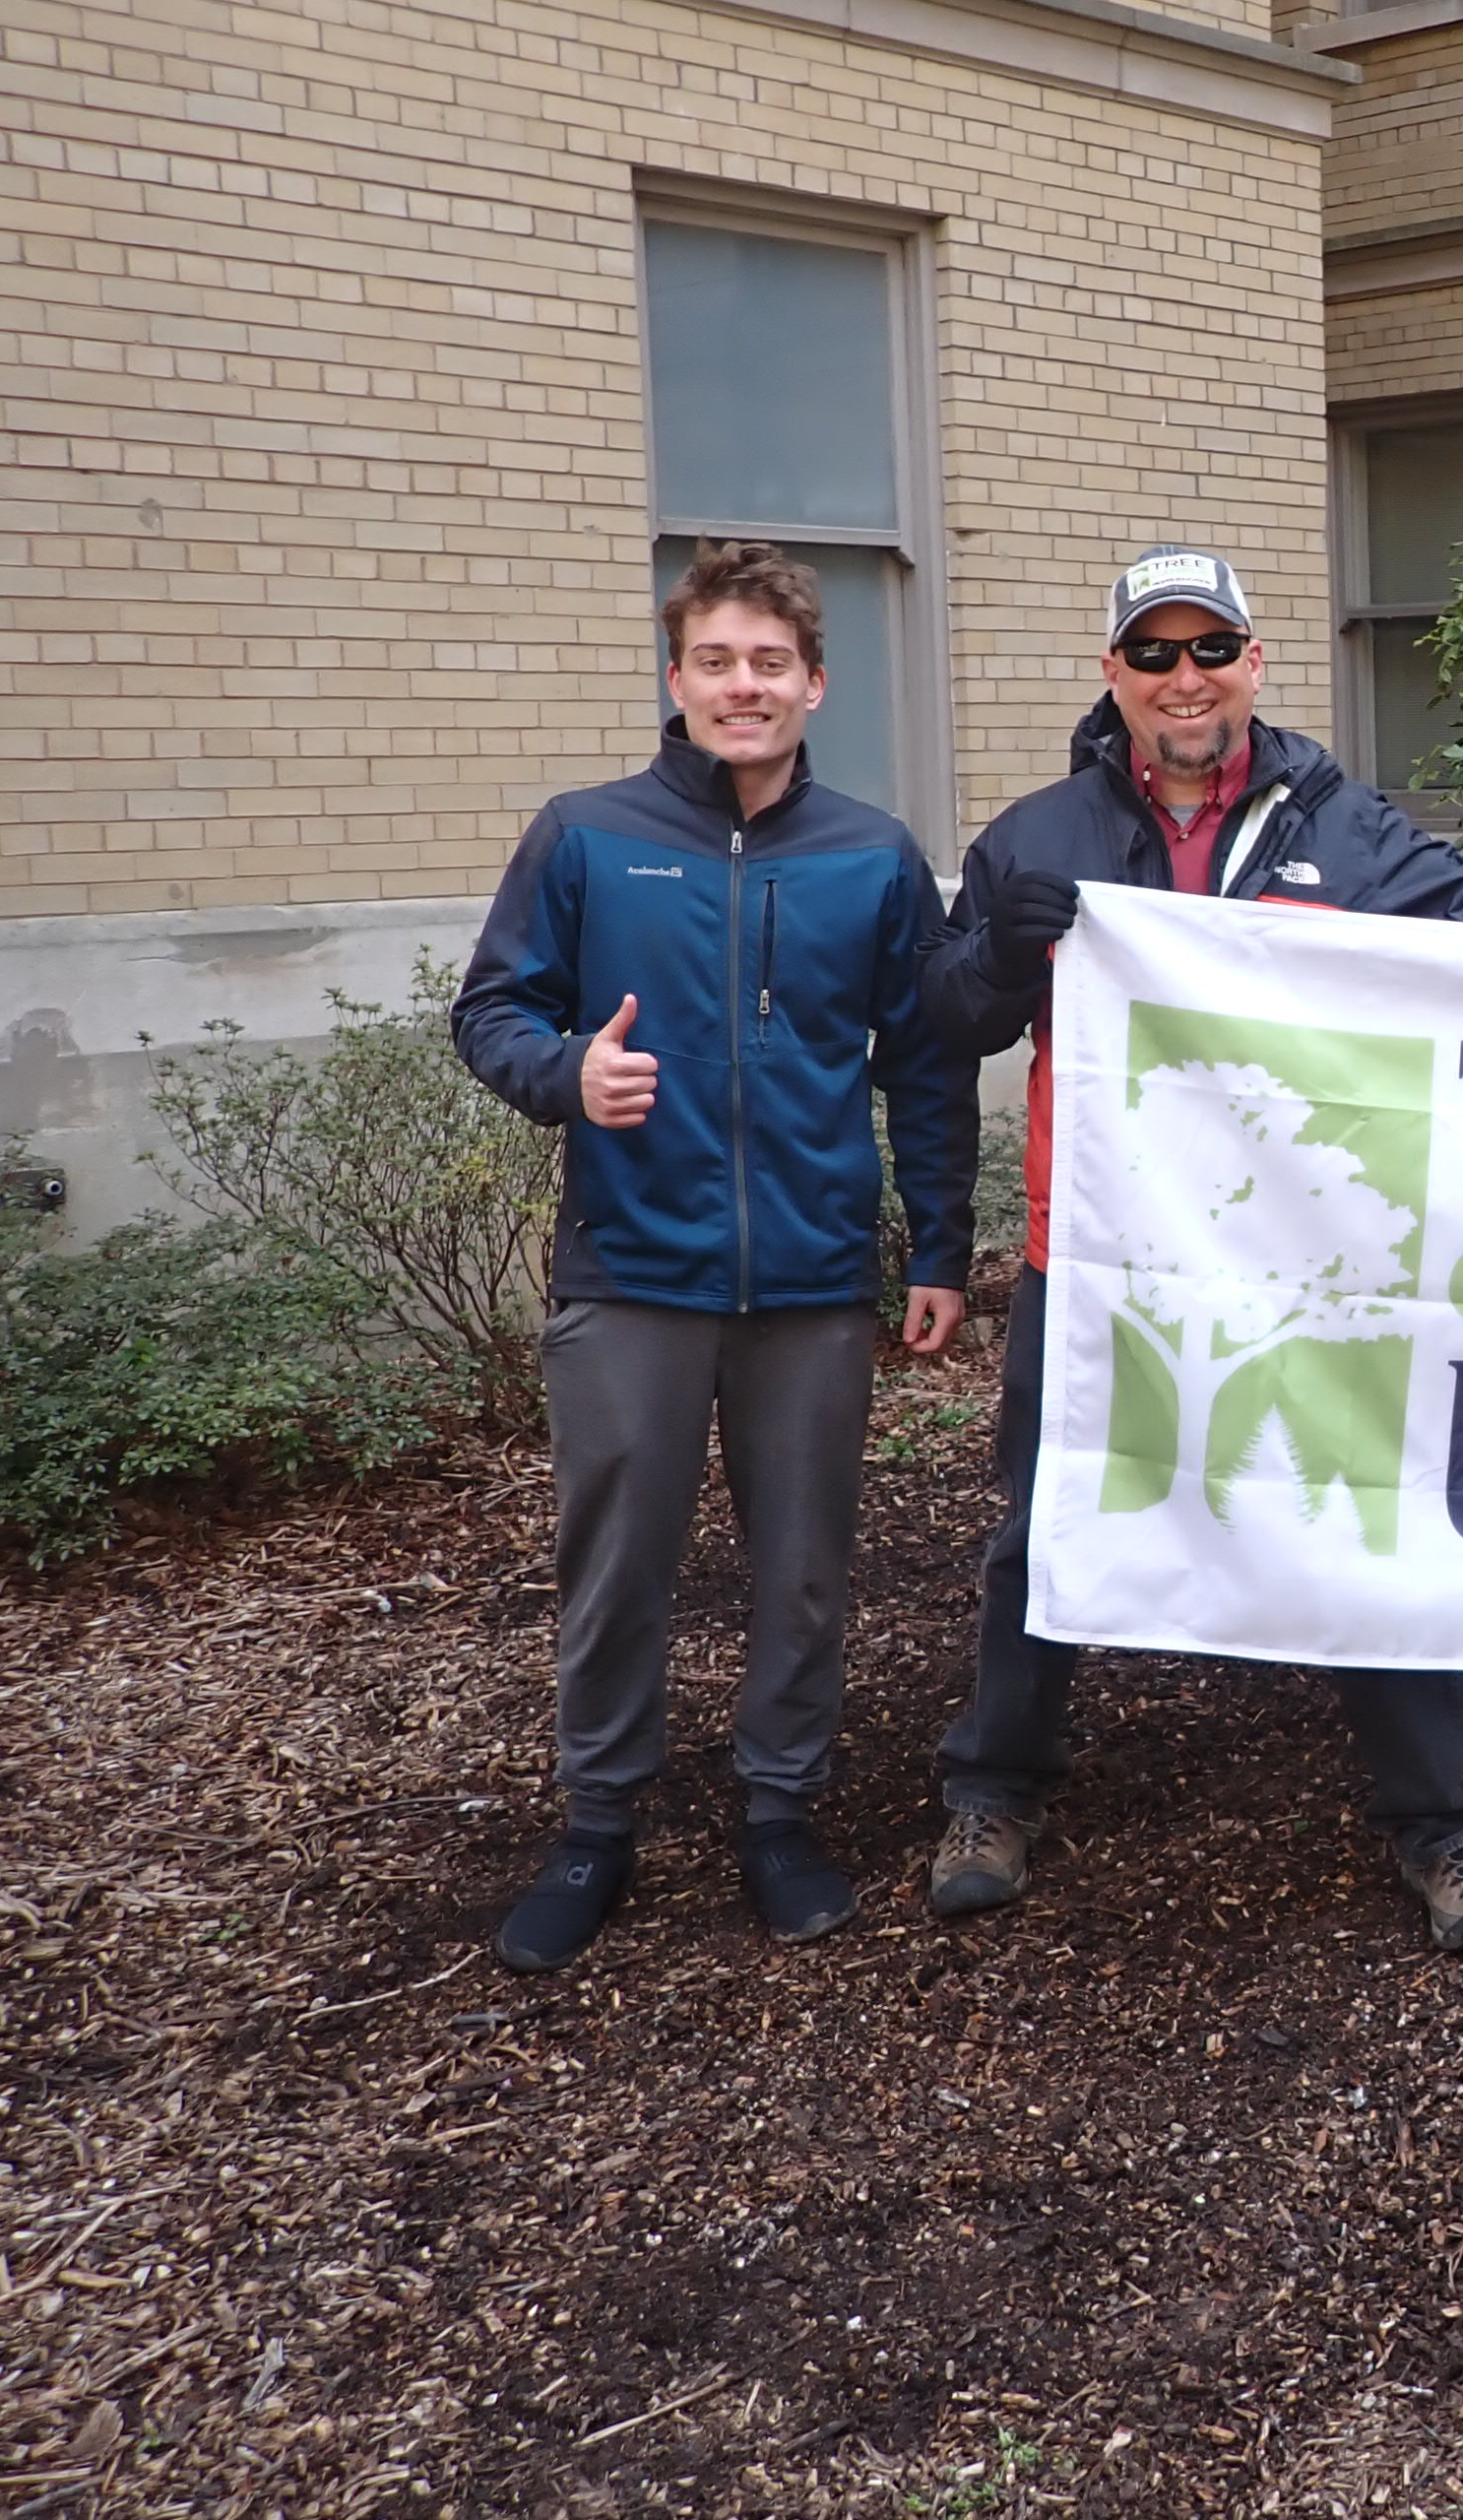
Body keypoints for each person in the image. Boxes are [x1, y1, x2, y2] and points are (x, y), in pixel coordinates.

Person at [918, 547, 1463, 1953]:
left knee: (1371, 1510)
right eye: (1154, 654)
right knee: (1051, 1525)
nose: (1185, 678)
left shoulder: (1343, 830)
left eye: (1212, 649)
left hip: (1313, 1256)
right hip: (1099, 1258)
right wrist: (996, 958)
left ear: (1256, 664)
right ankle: (994, 1790)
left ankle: (1444, 1827)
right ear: (1114, 678)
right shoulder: (1037, 839)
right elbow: (940, 1020)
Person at [452, 541, 977, 1973]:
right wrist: (569, 1074)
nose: (743, 688)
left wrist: (939, 1243)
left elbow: (924, 1064)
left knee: (804, 1570)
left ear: (814, 682)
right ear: (676, 679)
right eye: (715, 662)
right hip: (632, 1273)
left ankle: (780, 1814)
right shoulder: (586, 835)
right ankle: (596, 1825)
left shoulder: (869, 856)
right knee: (616, 1564)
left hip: (808, 1281)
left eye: (769, 664)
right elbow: (491, 1008)